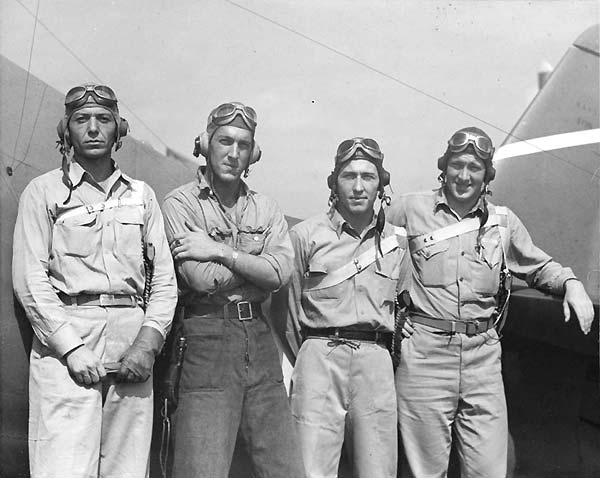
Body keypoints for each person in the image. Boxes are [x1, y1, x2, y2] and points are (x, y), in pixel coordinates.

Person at [388, 126, 595, 478]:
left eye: (474, 168)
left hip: (483, 360)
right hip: (424, 357)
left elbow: (539, 266)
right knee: (425, 471)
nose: (464, 176)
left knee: (489, 470)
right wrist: (390, 311)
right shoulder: (408, 209)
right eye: (457, 165)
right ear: (444, 166)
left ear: (487, 176)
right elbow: (369, 256)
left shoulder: (503, 222)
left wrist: (571, 283)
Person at [12, 84, 177, 478]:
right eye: (81, 119)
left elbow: (165, 281)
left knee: (127, 468)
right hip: (67, 342)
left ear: (118, 129)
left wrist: (147, 345)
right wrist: (71, 349)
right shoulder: (43, 192)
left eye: (103, 119)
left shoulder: (142, 196)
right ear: (65, 129)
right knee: (62, 467)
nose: (92, 129)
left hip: (131, 346)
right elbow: (30, 280)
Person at [162, 102, 304, 478]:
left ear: (253, 153)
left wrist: (220, 251)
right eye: (225, 141)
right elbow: (200, 278)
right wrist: (254, 264)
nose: (234, 153)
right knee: (201, 466)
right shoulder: (180, 203)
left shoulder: (266, 208)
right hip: (206, 337)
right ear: (206, 144)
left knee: (284, 467)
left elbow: (280, 274)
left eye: (243, 144)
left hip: (258, 339)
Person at [282, 137, 409, 478]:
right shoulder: (305, 235)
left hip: (375, 362)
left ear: (382, 184)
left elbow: (404, 308)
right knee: (311, 470)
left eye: (368, 177)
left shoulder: (398, 242)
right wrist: (313, 354)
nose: (357, 186)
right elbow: (286, 312)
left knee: (378, 469)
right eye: (348, 176)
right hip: (319, 357)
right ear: (333, 183)